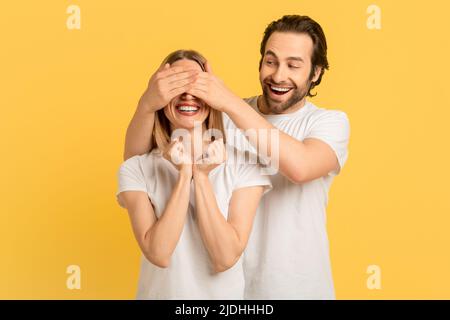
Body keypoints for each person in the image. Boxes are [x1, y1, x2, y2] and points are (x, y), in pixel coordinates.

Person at [123, 15, 350, 299]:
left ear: (315, 72)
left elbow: (300, 167)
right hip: (230, 286)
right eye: (271, 61)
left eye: (293, 65)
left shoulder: (328, 123)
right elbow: (138, 161)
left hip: (296, 287)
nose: (279, 75)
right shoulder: (224, 117)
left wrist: (228, 102)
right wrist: (148, 103)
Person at [116, 50, 272, 299]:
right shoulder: (135, 169)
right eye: (176, 84)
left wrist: (200, 177)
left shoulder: (246, 166)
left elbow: (224, 258)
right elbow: (159, 253)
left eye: (198, 85)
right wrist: (184, 175)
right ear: (160, 97)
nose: (188, 94)